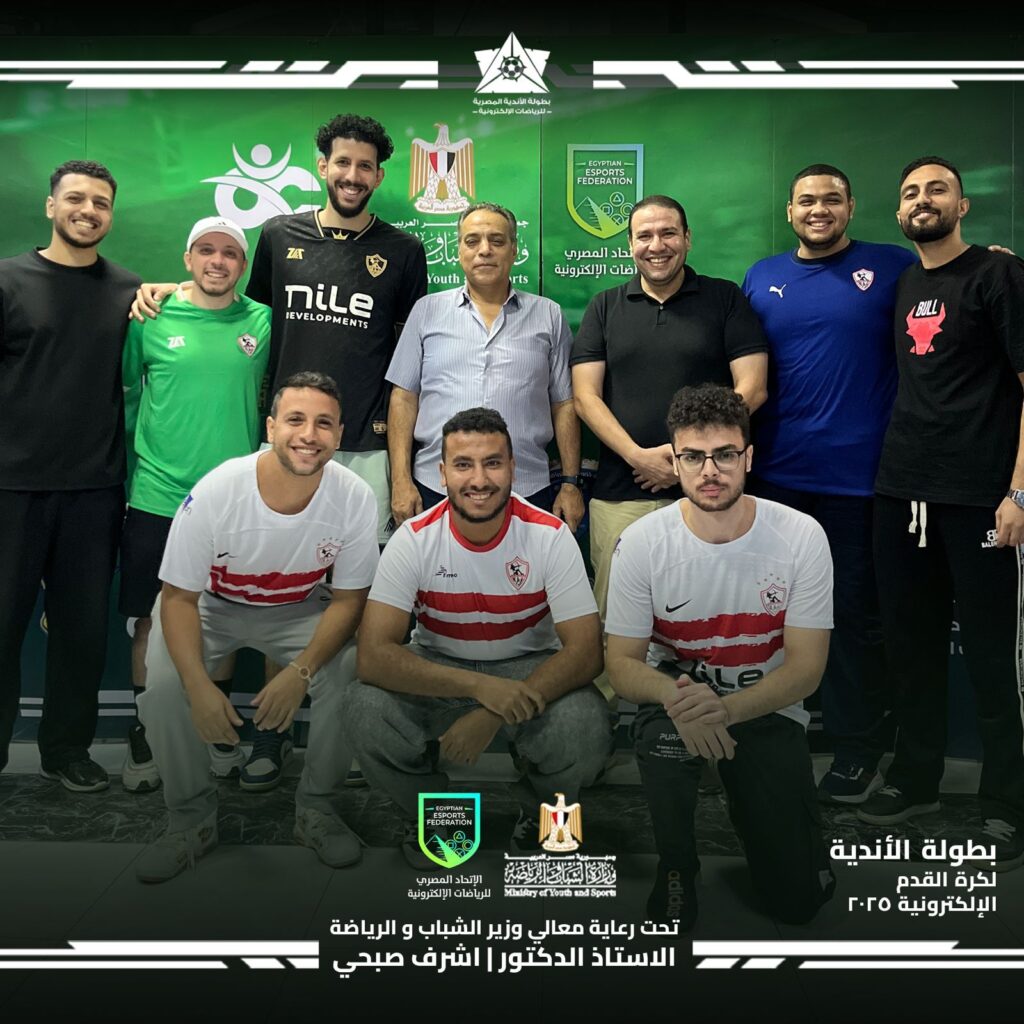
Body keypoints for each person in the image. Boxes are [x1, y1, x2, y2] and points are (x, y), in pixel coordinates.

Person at [133, 113, 427, 782]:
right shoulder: (276, 235)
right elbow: (235, 309)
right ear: (322, 165)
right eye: (341, 162)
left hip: (364, 450)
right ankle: (266, 736)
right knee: (275, 591)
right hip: (286, 445)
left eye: (365, 166)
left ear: (379, 175)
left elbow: (410, 359)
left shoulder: (404, 250)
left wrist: (400, 468)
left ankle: (338, 738)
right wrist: (167, 291)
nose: (352, 175)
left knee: (346, 602)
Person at [606, 384, 836, 928]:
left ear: (748, 457)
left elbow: (806, 670)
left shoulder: (801, 536)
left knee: (796, 905)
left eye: (725, 455)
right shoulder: (642, 542)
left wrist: (726, 710)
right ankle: (676, 866)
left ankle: (767, 823)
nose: (710, 471)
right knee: (663, 738)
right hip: (679, 702)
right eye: (693, 456)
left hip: (764, 707)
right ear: (675, 461)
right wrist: (678, 698)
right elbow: (621, 664)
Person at [135, 372, 378, 882]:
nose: (308, 434)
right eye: (295, 420)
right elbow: (178, 599)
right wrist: (199, 687)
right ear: (270, 428)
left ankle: (317, 810)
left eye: (324, 424)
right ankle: (190, 821)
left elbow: (350, 601)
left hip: (298, 607)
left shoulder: (354, 495)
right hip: (211, 607)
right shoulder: (218, 490)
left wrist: (302, 672)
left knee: (351, 670)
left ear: (339, 434)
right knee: (163, 686)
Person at [348, 407, 613, 868]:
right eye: (463, 465)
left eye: (492, 463)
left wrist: (493, 710)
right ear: (442, 473)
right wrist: (480, 688)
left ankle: (540, 811)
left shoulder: (550, 536)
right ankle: (436, 813)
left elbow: (587, 653)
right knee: (363, 709)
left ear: (513, 467)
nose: (479, 479)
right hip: (440, 666)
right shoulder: (413, 539)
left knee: (586, 723)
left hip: (529, 666)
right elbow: (372, 657)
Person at [859, 156, 1024, 870]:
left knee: (990, 658)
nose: (922, 200)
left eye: (936, 189)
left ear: (963, 205)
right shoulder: (904, 281)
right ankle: (915, 779)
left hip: (981, 498)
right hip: (901, 492)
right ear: (899, 213)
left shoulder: (999, 274)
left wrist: (1019, 493)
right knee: (910, 650)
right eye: (910, 193)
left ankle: (1007, 802)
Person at [742, 164, 916, 804]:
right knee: (773, 614)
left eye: (832, 199)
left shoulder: (893, 265)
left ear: (851, 207)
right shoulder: (761, 276)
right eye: (807, 201)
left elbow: (953, 283)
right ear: (789, 211)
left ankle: (857, 749)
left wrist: (999, 260)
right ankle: (776, 730)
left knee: (849, 617)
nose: (819, 209)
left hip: (858, 483)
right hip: (775, 481)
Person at [0, 160, 141, 792]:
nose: (88, 211)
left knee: (82, 633)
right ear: (50, 206)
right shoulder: (7, 280)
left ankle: (66, 751)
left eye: (101, 203)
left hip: (93, 491)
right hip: (10, 490)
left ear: (111, 214)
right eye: (76, 199)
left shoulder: (129, 290)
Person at [119, 215, 271, 793]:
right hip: (156, 496)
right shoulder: (150, 318)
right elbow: (125, 392)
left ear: (243, 266)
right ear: (188, 259)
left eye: (229, 253)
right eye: (205, 250)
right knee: (148, 620)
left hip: (230, 503)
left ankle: (217, 733)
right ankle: (146, 737)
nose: (217, 261)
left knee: (218, 620)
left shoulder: (262, 321)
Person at [571, 194, 768, 617]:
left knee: (714, 615)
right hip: (622, 493)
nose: (656, 245)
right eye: (644, 236)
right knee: (618, 620)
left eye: (668, 233)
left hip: (712, 489)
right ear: (629, 244)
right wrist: (638, 456)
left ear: (687, 238)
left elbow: (753, 389)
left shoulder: (725, 298)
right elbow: (585, 398)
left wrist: (687, 459)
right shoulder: (604, 306)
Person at [387, 202, 584, 531]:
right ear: (459, 251)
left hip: (526, 488)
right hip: (435, 488)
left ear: (514, 250)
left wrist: (570, 483)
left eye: (496, 240)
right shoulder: (426, 311)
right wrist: (400, 480)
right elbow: (404, 398)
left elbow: (564, 404)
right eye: (472, 240)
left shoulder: (548, 315)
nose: (484, 250)